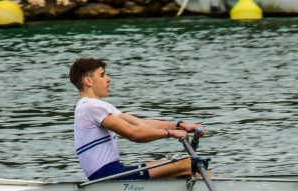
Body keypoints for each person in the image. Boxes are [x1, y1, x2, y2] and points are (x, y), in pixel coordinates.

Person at [70, 58, 205, 181]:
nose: (108, 79)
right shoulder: (91, 107)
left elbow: (142, 124)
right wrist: (171, 133)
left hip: (110, 172)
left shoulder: (97, 106)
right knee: (188, 165)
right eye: (102, 75)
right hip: (107, 175)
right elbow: (134, 133)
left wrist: (180, 126)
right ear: (88, 81)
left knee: (185, 169)